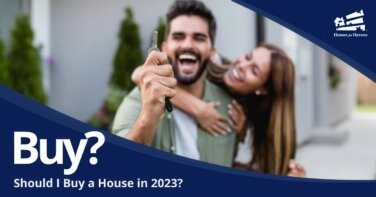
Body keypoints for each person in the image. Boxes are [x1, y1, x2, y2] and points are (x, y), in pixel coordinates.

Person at [133, 44, 305, 176]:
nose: (241, 65)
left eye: (254, 70)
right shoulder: (213, 64)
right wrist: (198, 109)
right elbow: (139, 73)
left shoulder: (256, 116)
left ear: (263, 89)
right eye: (247, 57)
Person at [113, 0, 237, 167]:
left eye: (199, 38)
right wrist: (147, 116)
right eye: (178, 37)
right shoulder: (139, 99)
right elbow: (120, 164)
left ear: (212, 51)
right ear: (165, 48)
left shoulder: (230, 107)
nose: (187, 45)